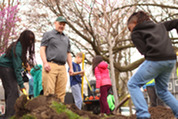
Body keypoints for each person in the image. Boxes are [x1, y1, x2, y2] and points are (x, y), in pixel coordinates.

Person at [127, 11, 178, 119]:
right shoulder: (160, 26)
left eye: (129, 28)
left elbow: (143, 51)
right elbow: (176, 22)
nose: (130, 31)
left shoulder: (136, 33)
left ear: (134, 23)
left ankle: (143, 115)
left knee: (133, 84)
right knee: (162, 91)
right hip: (171, 60)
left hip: (156, 59)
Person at [0, 30, 35, 119]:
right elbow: (17, 69)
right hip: (5, 67)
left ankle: (7, 115)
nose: (30, 42)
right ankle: (10, 116)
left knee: (10, 91)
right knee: (13, 91)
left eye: (32, 40)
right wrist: (21, 85)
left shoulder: (21, 47)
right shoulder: (18, 48)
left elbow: (19, 66)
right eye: (29, 40)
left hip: (8, 67)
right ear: (24, 39)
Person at [40, 16, 73, 103]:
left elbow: (68, 53)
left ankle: (59, 113)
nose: (61, 26)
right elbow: (42, 49)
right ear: (55, 23)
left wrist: (71, 68)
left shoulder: (66, 38)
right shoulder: (48, 34)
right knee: (49, 92)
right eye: (60, 24)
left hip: (62, 67)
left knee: (61, 93)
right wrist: (45, 63)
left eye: (63, 24)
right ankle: (48, 113)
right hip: (51, 65)